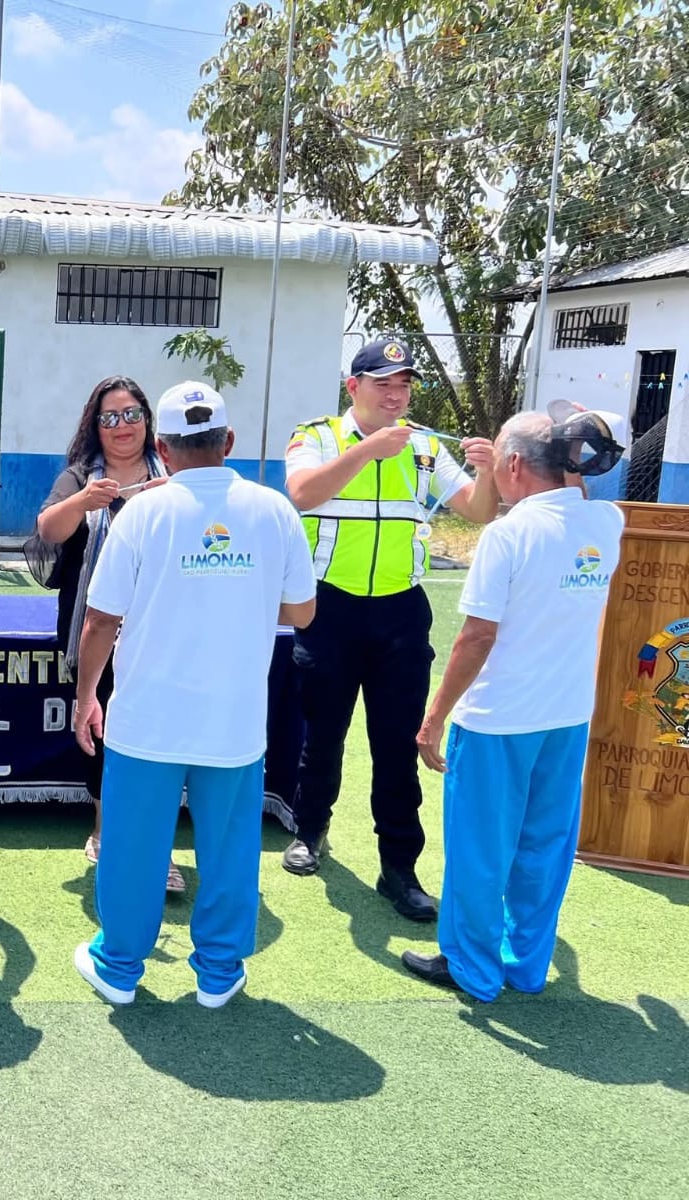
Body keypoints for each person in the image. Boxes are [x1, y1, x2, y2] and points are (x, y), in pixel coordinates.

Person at [72, 383, 316, 1007]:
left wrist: (85, 695)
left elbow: (99, 620)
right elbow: (302, 612)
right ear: (228, 441)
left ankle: (119, 968)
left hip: (146, 720)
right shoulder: (274, 509)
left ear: (161, 446)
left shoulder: (142, 513)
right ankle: (218, 973)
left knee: (133, 848)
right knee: (229, 850)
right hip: (232, 721)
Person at [406, 413, 624, 1000]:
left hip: (498, 719)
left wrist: (434, 717)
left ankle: (473, 970)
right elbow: (579, 490)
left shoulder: (508, 534)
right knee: (544, 847)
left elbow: (477, 636)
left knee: (480, 849)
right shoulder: (607, 520)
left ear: (515, 464)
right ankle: (525, 966)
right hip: (567, 715)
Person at [280, 338, 499, 921]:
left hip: (400, 611)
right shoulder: (317, 436)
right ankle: (310, 830)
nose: (396, 395)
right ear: (353, 387)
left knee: (397, 745)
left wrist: (489, 472)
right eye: (384, 384)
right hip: (329, 608)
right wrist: (367, 450)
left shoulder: (424, 446)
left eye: (404, 385)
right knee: (323, 732)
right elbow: (302, 493)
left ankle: (399, 868)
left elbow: (478, 510)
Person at [34, 375, 184, 894]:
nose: (122, 426)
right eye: (110, 417)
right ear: (94, 427)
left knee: (159, 738)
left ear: (148, 420)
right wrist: (83, 503)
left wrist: (175, 497)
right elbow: (48, 530)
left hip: (161, 629)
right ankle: (104, 830)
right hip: (93, 626)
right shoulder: (81, 476)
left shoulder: (175, 472)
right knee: (100, 732)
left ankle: (159, 848)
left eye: (131, 414)